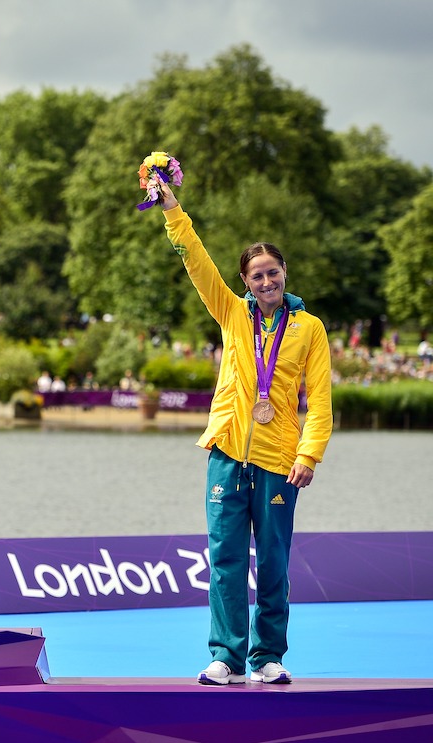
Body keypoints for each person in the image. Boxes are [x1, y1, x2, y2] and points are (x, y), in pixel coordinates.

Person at [154, 177, 332, 686]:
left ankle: (267, 657)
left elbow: (319, 400)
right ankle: (226, 657)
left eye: (272, 272)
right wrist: (172, 208)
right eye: (256, 276)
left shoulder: (310, 328)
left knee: (273, 563)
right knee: (226, 561)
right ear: (245, 281)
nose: (265, 282)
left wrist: (309, 453)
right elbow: (195, 260)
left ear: (284, 273)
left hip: (280, 460)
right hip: (228, 452)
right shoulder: (233, 313)